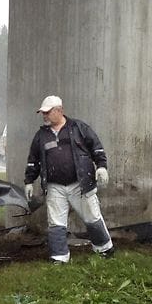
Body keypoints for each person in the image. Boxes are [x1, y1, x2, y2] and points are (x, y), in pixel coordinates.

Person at [23, 95, 114, 264]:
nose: (44, 116)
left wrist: (101, 166)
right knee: (56, 223)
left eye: (47, 112)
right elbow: (33, 160)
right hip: (54, 186)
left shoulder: (79, 128)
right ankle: (59, 257)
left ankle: (104, 249)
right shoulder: (41, 136)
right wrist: (29, 181)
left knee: (92, 216)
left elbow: (96, 148)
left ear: (59, 110)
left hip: (81, 184)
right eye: (43, 113)